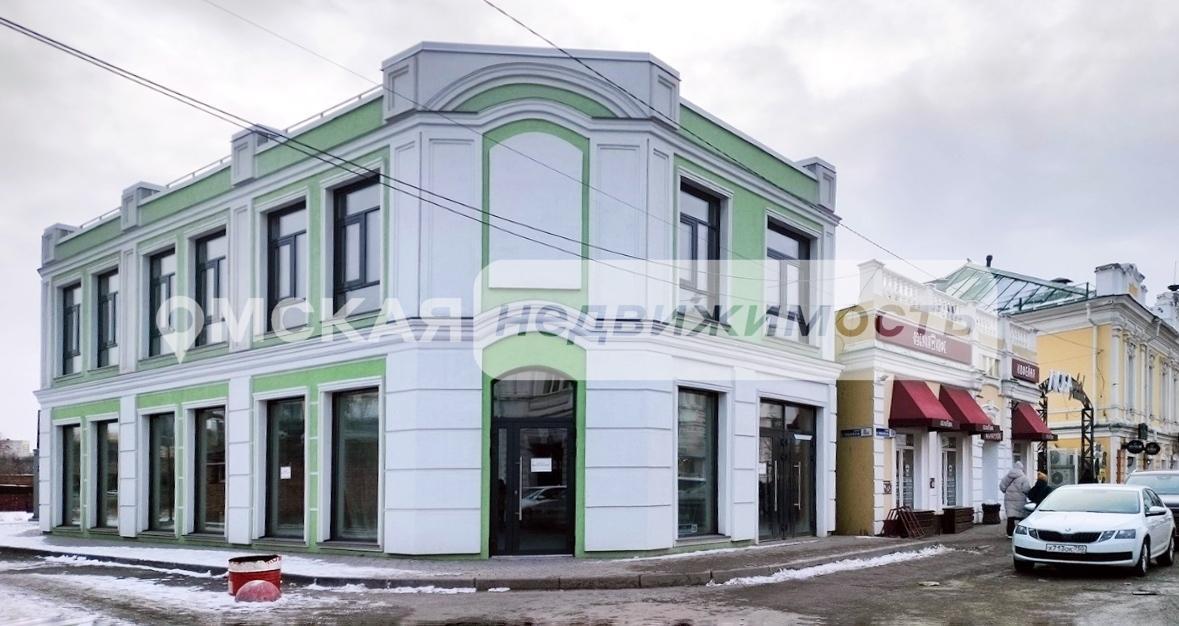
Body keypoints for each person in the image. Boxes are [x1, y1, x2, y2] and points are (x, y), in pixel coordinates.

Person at [1000, 461, 1032, 537]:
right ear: (1021, 468)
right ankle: (1021, 533)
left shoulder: (1007, 476)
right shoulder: (1024, 478)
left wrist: (1007, 492)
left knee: (1010, 517)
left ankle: (1010, 534)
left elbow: (1002, 486)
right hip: (1020, 499)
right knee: (1021, 517)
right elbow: (1026, 489)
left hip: (1009, 499)